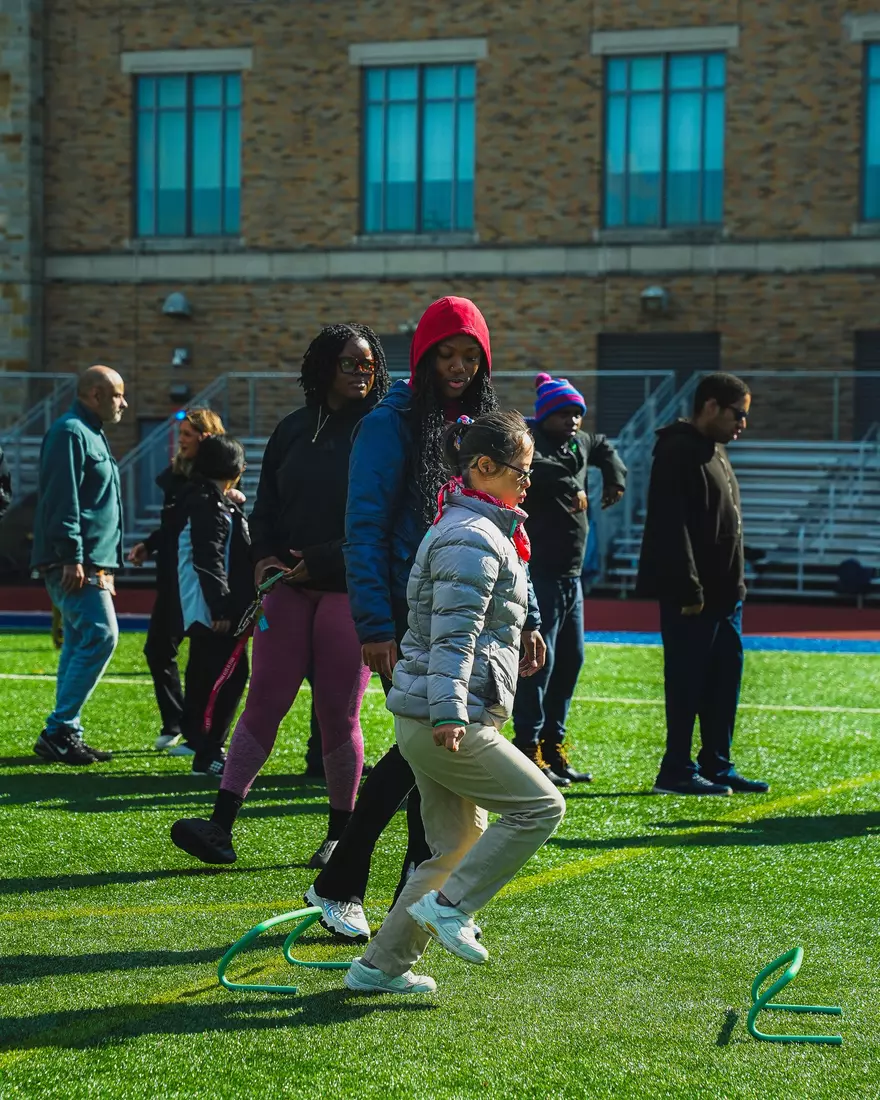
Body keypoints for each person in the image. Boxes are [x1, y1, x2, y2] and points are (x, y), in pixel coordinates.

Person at [305, 296, 545, 943]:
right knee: (423, 755)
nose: (460, 366)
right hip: (413, 619)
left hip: (466, 616)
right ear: (424, 355)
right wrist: (375, 624)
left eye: (471, 355)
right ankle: (352, 888)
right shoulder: (391, 423)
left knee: (425, 760)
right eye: (448, 354)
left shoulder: (482, 424)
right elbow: (365, 526)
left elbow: (513, 526)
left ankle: (381, 892)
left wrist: (530, 616)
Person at [345, 411, 565, 995]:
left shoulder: (483, 529)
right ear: (484, 467)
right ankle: (454, 908)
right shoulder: (472, 537)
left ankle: (377, 968)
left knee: (455, 848)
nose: (528, 480)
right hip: (446, 718)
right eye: (522, 469)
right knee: (542, 807)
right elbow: (453, 637)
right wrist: (449, 713)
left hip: (437, 714)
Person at [169, 324, 389, 867]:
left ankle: (340, 837)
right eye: (349, 363)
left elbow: (385, 520)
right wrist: (263, 555)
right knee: (265, 698)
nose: (361, 373)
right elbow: (264, 506)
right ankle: (219, 826)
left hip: (348, 587)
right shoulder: (292, 429)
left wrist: (326, 559)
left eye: (368, 364)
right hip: (288, 585)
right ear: (322, 367)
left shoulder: (384, 430)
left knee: (338, 712)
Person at [636, 371, 769, 796]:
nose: (742, 424)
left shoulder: (715, 450)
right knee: (688, 681)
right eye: (737, 414)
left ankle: (716, 762)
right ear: (710, 405)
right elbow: (669, 527)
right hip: (694, 598)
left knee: (723, 680)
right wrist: (689, 589)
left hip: (728, 597)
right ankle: (675, 769)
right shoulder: (677, 450)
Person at [512, 374, 627, 786]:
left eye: (577, 413)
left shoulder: (577, 442)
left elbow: (602, 446)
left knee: (570, 662)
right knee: (539, 666)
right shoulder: (531, 443)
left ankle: (553, 747)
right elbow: (535, 467)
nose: (573, 420)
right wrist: (567, 481)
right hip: (539, 572)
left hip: (571, 576)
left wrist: (614, 476)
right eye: (564, 413)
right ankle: (527, 749)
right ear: (546, 415)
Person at [31, 365, 127, 765]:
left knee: (77, 642)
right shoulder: (71, 432)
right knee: (102, 636)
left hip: (89, 561)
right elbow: (62, 499)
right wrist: (73, 556)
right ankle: (60, 727)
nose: (124, 403)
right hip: (75, 561)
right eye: (118, 395)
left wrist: (104, 564)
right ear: (94, 395)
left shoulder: (89, 432)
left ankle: (65, 732)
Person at [128, 408, 226, 751]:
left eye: (187, 434)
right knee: (157, 650)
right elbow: (171, 528)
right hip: (172, 580)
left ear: (206, 437)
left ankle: (199, 731)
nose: (180, 440)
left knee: (202, 660)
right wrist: (148, 546)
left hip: (196, 583)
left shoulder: (215, 482)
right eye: (180, 433)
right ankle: (175, 722)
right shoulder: (177, 476)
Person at [172, 435, 252, 777]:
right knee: (223, 678)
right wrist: (220, 607)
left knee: (217, 677)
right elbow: (209, 559)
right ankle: (208, 751)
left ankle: (206, 746)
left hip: (211, 605)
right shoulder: (208, 503)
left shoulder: (210, 499)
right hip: (211, 609)